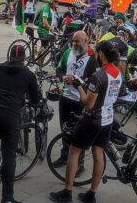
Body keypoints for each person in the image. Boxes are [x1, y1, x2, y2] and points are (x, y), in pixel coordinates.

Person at [50, 41, 122, 203]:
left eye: (97, 52)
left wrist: (79, 86)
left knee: (74, 152)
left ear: (101, 54)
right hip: (107, 119)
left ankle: (67, 193)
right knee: (98, 155)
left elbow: (88, 103)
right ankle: (91, 194)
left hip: (92, 119)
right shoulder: (117, 72)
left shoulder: (99, 76)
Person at [0, 43, 40, 203]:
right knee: (9, 156)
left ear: (10, 55)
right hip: (10, 116)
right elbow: (35, 99)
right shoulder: (28, 74)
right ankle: (7, 198)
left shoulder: (0, 68)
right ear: (24, 58)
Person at [53, 31, 99, 169]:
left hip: (81, 101)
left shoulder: (92, 58)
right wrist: (62, 77)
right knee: (64, 128)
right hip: (65, 97)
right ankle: (64, 155)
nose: (74, 44)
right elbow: (59, 69)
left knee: (79, 134)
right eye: (73, 41)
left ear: (86, 41)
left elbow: (95, 80)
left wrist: (78, 81)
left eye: (77, 41)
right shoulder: (68, 52)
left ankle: (80, 164)